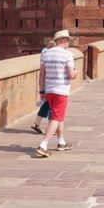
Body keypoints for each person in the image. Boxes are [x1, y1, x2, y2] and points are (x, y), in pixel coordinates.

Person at [35, 30, 77, 158]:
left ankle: (61, 142)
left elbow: (42, 75)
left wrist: (41, 91)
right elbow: (71, 75)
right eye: (68, 40)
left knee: (58, 116)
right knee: (56, 118)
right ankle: (44, 145)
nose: (69, 42)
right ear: (63, 40)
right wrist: (77, 72)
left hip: (49, 90)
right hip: (61, 91)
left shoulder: (46, 54)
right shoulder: (67, 55)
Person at [31, 39, 57, 134]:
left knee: (46, 104)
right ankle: (51, 128)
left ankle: (36, 123)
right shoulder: (52, 53)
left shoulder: (44, 51)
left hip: (46, 82)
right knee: (52, 105)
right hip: (52, 82)